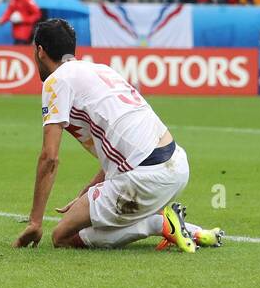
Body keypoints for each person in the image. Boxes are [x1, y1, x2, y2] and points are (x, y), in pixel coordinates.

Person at [14, 19, 223, 252]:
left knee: (62, 236)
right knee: (114, 215)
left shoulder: (56, 81)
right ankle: (194, 232)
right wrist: (90, 191)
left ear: (40, 51)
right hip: (177, 166)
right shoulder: (102, 70)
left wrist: (35, 221)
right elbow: (123, 140)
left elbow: (49, 158)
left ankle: (159, 222)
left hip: (142, 178)